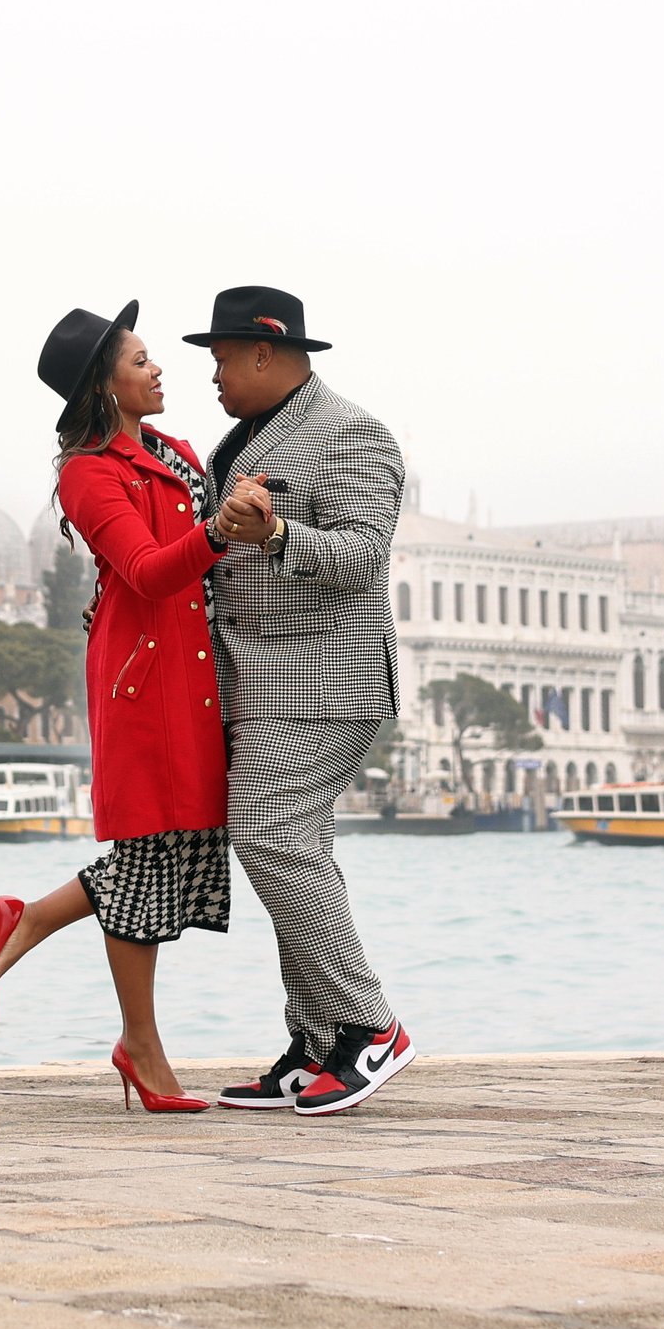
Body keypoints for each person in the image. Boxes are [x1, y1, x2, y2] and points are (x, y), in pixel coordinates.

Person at [0, 301, 271, 1114]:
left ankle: (24, 922)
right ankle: (141, 1047)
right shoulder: (87, 473)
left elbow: (201, 555)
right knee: (145, 856)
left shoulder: (175, 451)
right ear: (104, 385)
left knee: (161, 856)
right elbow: (148, 570)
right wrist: (220, 530)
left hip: (193, 676)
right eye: (140, 360)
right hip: (143, 686)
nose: (158, 369)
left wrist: (245, 513)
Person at [181, 286, 417, 1117]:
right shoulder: (239, 440)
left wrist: (278, 534)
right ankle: (318, 1043)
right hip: (257, 679)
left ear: (262, 351)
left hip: (323, 680)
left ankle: (369, 1025)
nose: (212, 376)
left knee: (269, 834)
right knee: (294, 846)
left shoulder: (353, 432)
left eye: (220, 359)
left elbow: (361, 556)